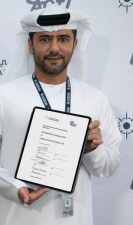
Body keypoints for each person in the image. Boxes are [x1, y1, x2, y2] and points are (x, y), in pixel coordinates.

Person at [0, 5, 121, 225]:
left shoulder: (95, 99)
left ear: (75, 44)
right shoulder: (4, 96)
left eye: (63, 39)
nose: (54, 48)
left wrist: (92, 150)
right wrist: (15, 187)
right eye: (44, 39)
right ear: (30, 45)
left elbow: (109, 167)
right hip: (18, 218)